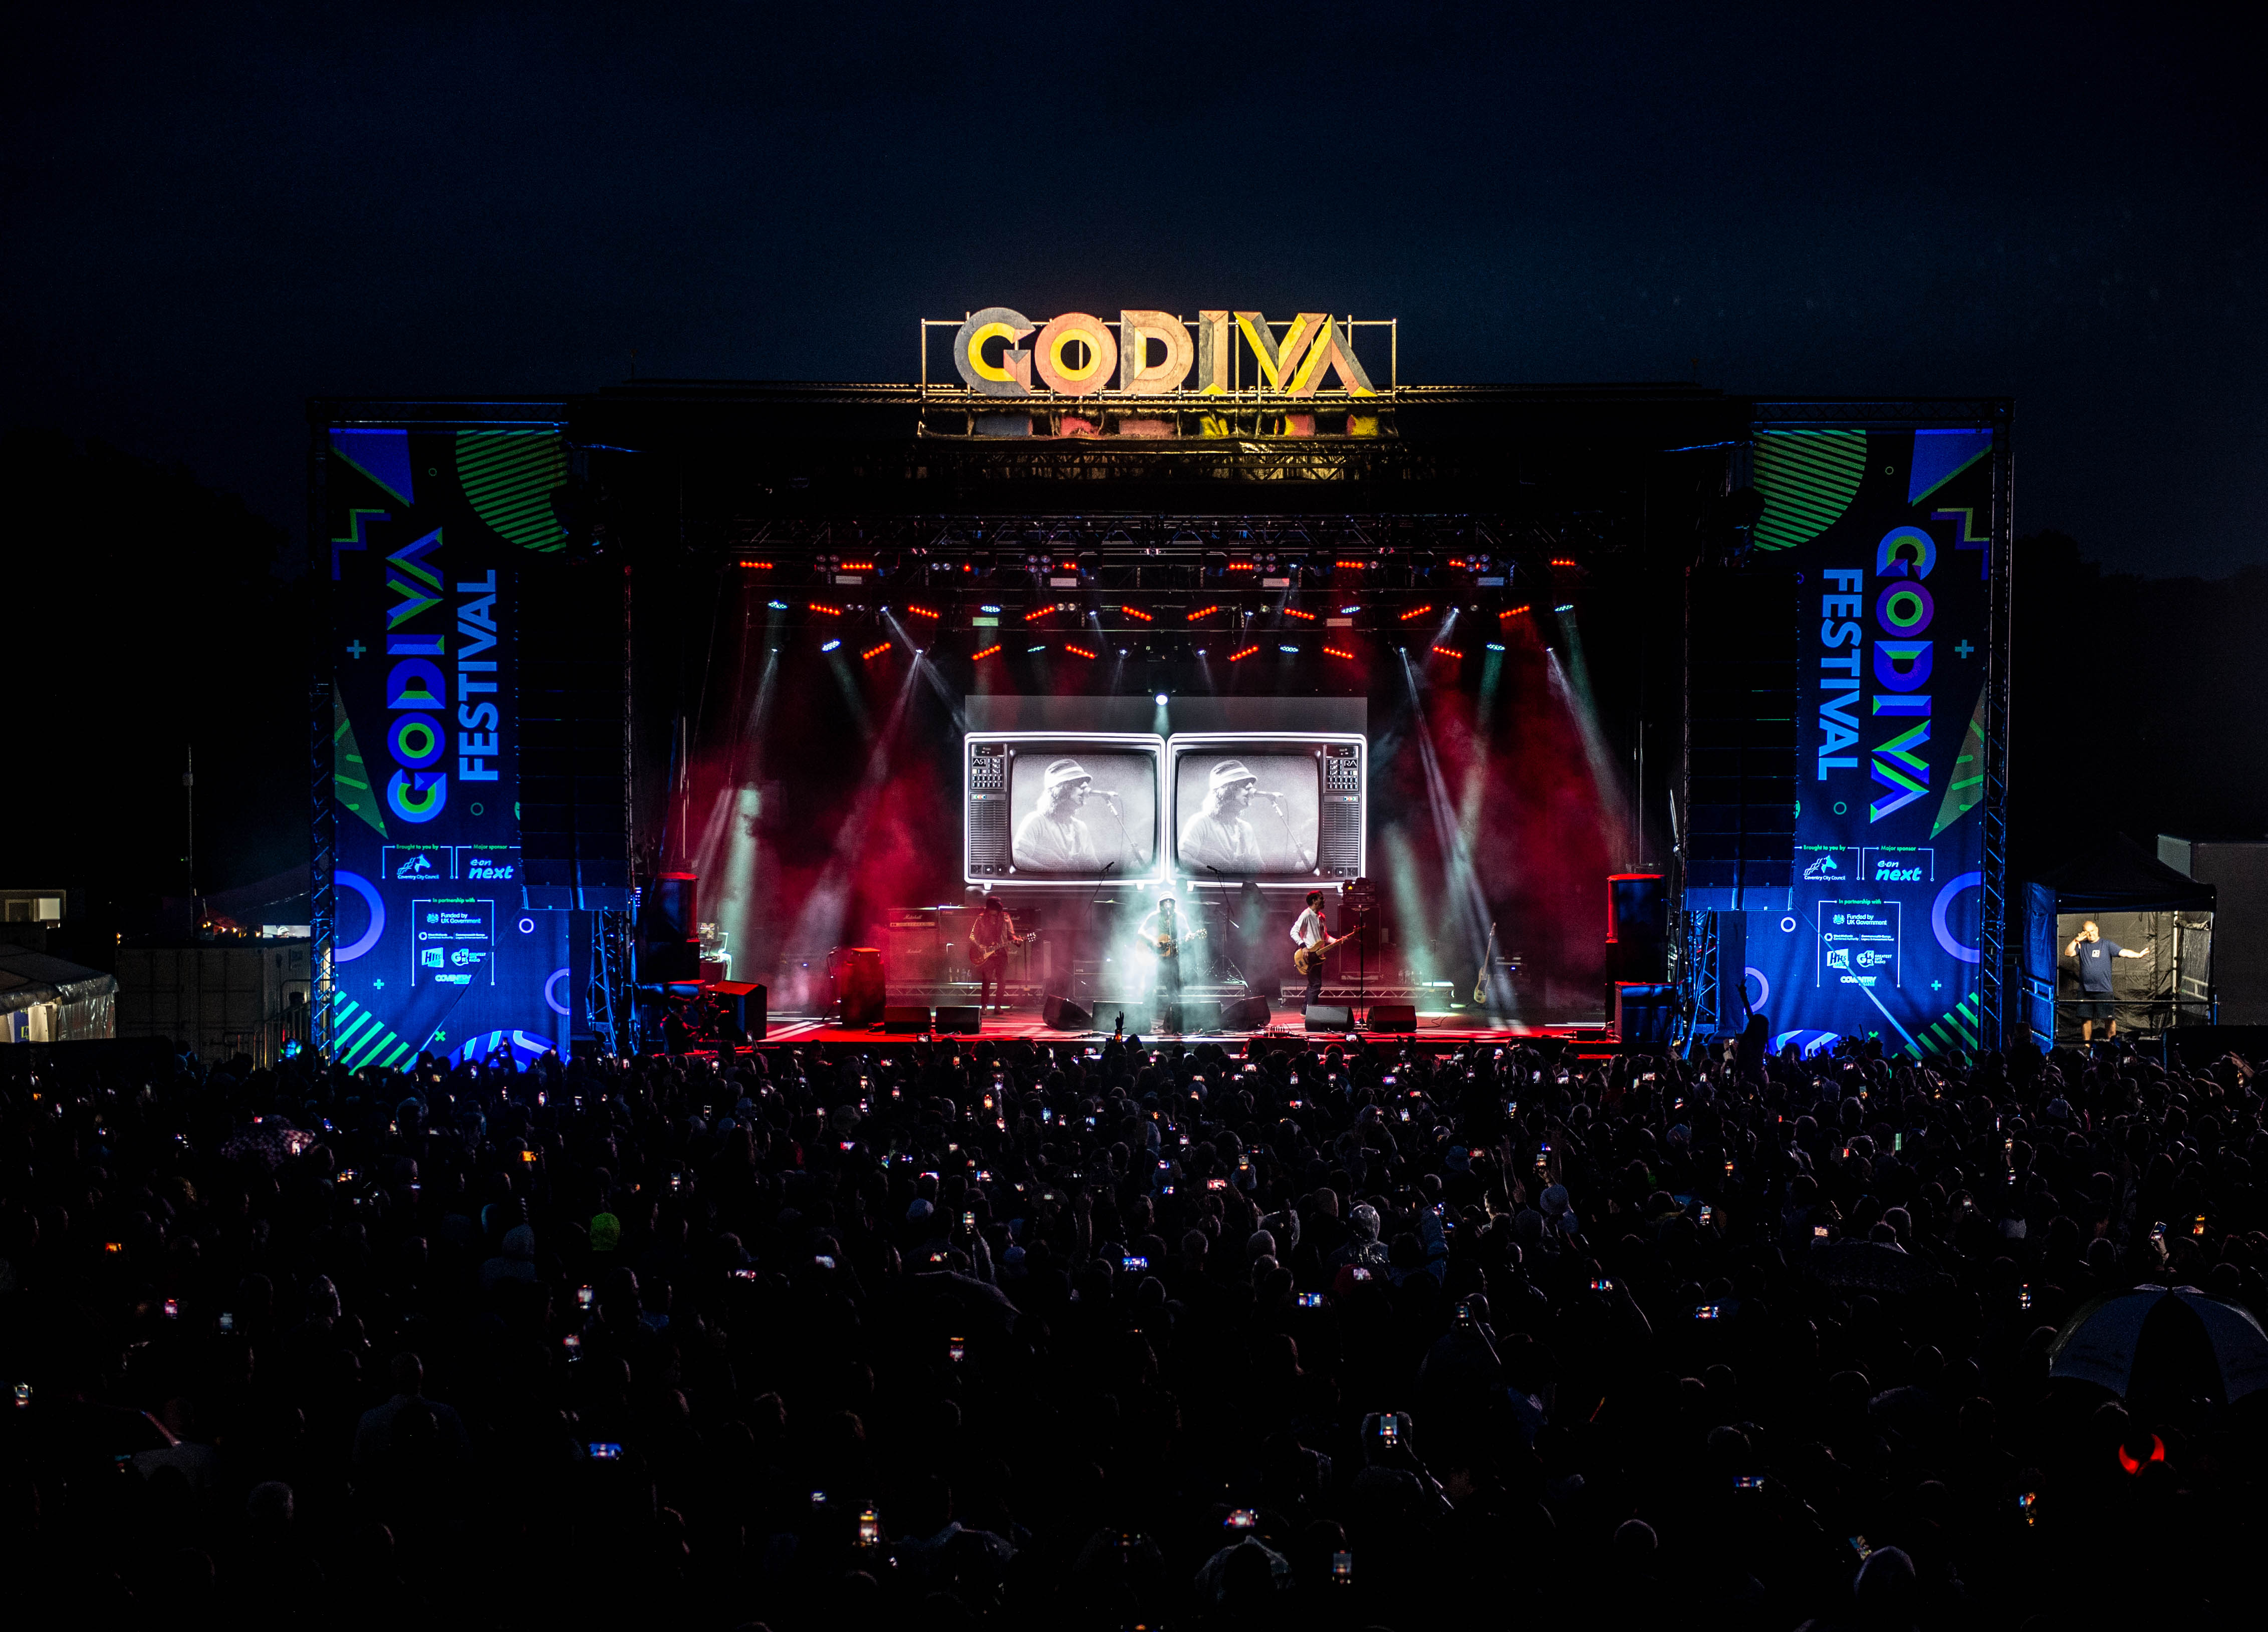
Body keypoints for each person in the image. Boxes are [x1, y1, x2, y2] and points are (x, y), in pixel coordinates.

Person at [1179, 759, 1311, 874]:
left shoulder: (1246, 829)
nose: (1251, 789)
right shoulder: (1201, 822)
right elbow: (1183, 858)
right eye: (1244, 784)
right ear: (1226, 790)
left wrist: (1289, 865)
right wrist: (1218, 873)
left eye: (1251, 784)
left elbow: (1259, 869)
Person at [1014, 757, 1115, 873]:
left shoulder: (1081, 828)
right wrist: (1053, 874)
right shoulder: (1036, 821)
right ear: (1061, 789)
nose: (1086, 787)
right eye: (1078, 783)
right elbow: (1018, 858)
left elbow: (1094, 869)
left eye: (1085, 783)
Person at [2066, 919, 2148, 1040]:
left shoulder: (2107, 945)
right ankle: (2087, 1048)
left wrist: (2138, 955)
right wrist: (2075, 941)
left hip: (2104, 990)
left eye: (2092, 931)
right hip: (2085, 991)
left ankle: (2112, 1046)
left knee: (2109, 1020)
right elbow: (2068, 953)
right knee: (2086, 1020)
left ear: (2097, 929)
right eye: (2087, 932)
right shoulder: (2081, 945)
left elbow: (2123, 952)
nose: (2090, 934)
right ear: (2083, 933)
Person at [1138, 895, 1193, 1032]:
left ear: (1174, 904)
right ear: (1160, 904)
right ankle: (1143, 1023)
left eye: (1171, 902)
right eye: (1165, 902)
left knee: (1173, 991)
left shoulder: (1179, 917)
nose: (1168, 905)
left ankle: (1173, 1023)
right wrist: (1153, 942)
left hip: (1172, 958)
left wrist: (1188, 937)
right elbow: (1141, 931)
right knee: (1148, 990)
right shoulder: (1154, 916)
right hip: (1155, 959)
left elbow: (1188, 932)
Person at [967, 895, 1025, 1014]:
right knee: (987, 980)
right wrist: (979, 946)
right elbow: (972, 935)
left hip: (1002, 953)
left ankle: (998, 1007)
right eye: (992, 912)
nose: (994, 915)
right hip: (987, 954)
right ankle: (984, 1007)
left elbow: (1011, 934)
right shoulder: (981, 918)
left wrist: (1017, 941)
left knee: (1002, 981)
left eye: (996, 912)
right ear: (988, 909)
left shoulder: (1005, 918)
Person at [1289, 889, 1331, 1013]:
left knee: (1313, 984)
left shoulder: (1322, 917)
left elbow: (1325, 937)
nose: (1324, 901)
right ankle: (1311, 1013)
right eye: (1321, 898)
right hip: (1309, 956)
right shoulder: (1306, 915)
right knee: (1316, 984)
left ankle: (1305, 1011)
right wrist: (1303, 946)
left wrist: (1339, 940)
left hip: (1319, 955)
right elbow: (1293, 932)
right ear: (1314, 901)